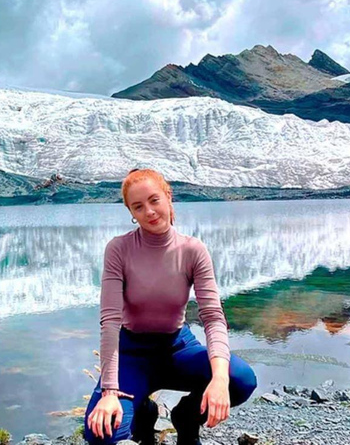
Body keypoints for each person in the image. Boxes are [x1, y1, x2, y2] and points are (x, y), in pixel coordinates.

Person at [84, 169, 257, 445]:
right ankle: (143, 411)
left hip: (177, 349)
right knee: (100, 433)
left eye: (154, 200)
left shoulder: (192, 250)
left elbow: (212, 318)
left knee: (240, 379)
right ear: (130, 212)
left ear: (168, 197)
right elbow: (110, 322)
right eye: (138, 206)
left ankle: (187, 419)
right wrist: (109, 393)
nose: (149, 211)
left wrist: (220, 379)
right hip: (132, 353)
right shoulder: (119, 249)